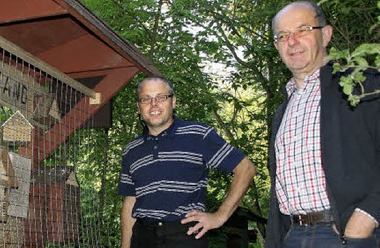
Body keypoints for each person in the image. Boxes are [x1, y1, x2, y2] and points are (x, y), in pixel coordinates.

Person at [266, 1, 380, 247]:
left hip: (348, 235)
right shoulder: (282, 112)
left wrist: (368, 215)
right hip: (293, 235)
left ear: (325, 34)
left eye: (303, 30)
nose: (292, 41)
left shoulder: (361, 87)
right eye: (283, 36)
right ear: (277, 46)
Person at [118, 77, 256, 248]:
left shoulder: (198, 135)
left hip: (185, 236)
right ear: (139, 107)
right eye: (146, 99)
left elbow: (246, 168)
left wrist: (220, 216)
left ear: (173, 102)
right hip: (142, 238)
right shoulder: (131, 150)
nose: (153, 104)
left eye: (161, 97)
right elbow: (130, 202)